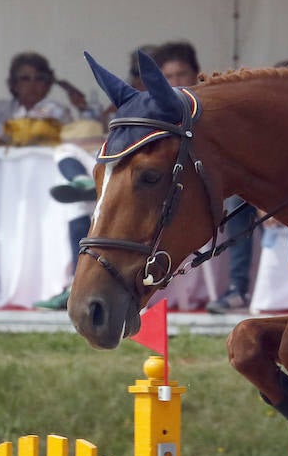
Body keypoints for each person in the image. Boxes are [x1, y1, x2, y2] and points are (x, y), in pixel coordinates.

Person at [34, 42, 197, 311]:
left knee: (89, 200)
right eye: (167, 77)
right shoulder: (133, 103)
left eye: (181, 75)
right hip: (128, 176)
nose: (174, 82)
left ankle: (90, 191)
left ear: (195, 72)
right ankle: (84, 186)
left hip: (164, 189)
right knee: (70, 173)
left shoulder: (191, 107)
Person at [206, 57, 288, 315]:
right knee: (236, 201)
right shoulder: (260, 123)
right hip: (271, 198)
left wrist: (276, 202)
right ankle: (237, 288)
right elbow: (247, 171)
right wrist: (264, 202)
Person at [0, 52, 106, 132]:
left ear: (47, 84)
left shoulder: (58, 112)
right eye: (25, 79)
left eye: (39, 79)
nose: (32, 85)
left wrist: (83, 108)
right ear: (14, 84)